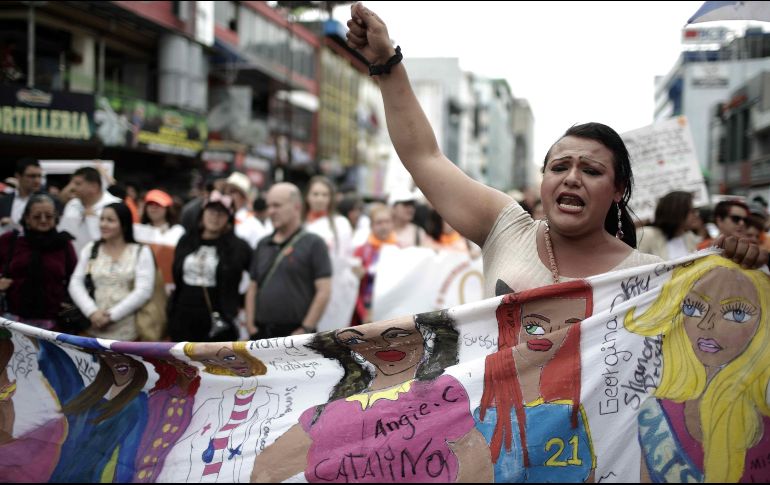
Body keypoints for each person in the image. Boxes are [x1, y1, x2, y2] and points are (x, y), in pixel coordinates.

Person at [345, 2, 768, 292]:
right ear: (543, 179)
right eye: (560, 166)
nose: (572, 178)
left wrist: (740, 270)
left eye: (592, 170)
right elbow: (424, 157)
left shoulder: (653, 278)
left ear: (619, 189)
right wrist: (386, 64)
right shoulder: (504, 228)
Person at [251, 312, 493, 483]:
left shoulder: (443, 392)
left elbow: (474, 454)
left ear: (427, 338)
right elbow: (266, 470)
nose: (385, 345)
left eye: (398, 335)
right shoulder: (325, 414)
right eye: (366, 339)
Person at [625, 255, 770, 483]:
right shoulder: (654, 415)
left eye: (736, 313)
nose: (706, 324)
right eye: (693, 308)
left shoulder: (765, 405)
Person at [475, 282, 595, 482]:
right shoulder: (481, 418)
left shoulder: (569, 412)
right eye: (533, 326)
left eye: (570, 327)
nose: (551, 336)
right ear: (513, 326)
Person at [245, 183, 332, 339]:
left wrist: (305, 328)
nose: (271, 211)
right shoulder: (263, 244)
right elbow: (252, 287)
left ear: (297, 206)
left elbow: (324, 290)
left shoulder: (314, 243)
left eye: (277, 205)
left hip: (296, 336)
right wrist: (251, 327)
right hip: (261, 334)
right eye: (269, 206)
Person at [167, 191, 252, 342]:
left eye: (221, 213)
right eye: (212, 211)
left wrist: (239, 305)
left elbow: (255, 276)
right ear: (202, 213)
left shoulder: (238, 247)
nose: (215, 217)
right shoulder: (187, 240)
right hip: (182, 315)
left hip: (218, 320)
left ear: (229, 218)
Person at [68, 202, 155, 341]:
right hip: (91, 329)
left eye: (110, 220)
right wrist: (92, 312)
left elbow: (144, 290)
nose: (103, 224)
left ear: (124, 224)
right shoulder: (91, 248)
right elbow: (75, 283)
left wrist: (111, 316)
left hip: (128, 333)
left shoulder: (140, 251)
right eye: (101, 219)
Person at [0, 194, 77, 330]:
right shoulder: (10, 240)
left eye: (48, 216)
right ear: (27, 218)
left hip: (52, 323)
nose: (43, 220)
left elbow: (76, 279)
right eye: (37, 216)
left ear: (56, 218)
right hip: (11, 319)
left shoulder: (64, 244)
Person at [304, 176, 359, 332]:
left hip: (333, 289)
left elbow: (345, 259)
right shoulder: (300, 224)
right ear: (307, 196)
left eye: (324, 195)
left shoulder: (341, 224)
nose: (319, 199)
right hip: (301, 289)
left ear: (331, 198)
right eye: (315, 194)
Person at [351, 203, 398, 325]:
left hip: (393, 313)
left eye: (387, 222)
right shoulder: (360, 252)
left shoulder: (401, 250)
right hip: (367, 314)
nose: (384, 226)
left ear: (392, 224)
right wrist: (363, 313)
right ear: (371, 226)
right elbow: (353, 289)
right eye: (379, 223)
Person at [58, 166, 121, 254]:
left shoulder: (116, 206)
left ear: (94, 187)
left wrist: (92, 219)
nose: (73, 188)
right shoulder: (72, 204)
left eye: (78, 184)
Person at [133, 189, 186, 290]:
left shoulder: (178, 231)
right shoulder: (138, 230)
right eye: (150, 205)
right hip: (141, 283)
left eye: (158, 205)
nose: (153, 208)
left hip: (169, 285)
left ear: (167, 209)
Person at [636, 191, 701, 260]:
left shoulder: (689, 236)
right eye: (692, 211)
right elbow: (636, 266)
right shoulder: (647, 235)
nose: (696, 215)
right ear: (677, 211)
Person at [224, 171, 268, 249]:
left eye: (233, 191)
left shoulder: (252, 225)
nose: (227, 195)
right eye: (225, 191)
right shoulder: (220, 217)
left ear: (243, 198)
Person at [0, 158, 44, 231]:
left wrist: (14, 226)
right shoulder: (4, 201)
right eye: (32, 176)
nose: (37, 180)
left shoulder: (47, 200)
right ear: (18, 176)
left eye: (39, 176)